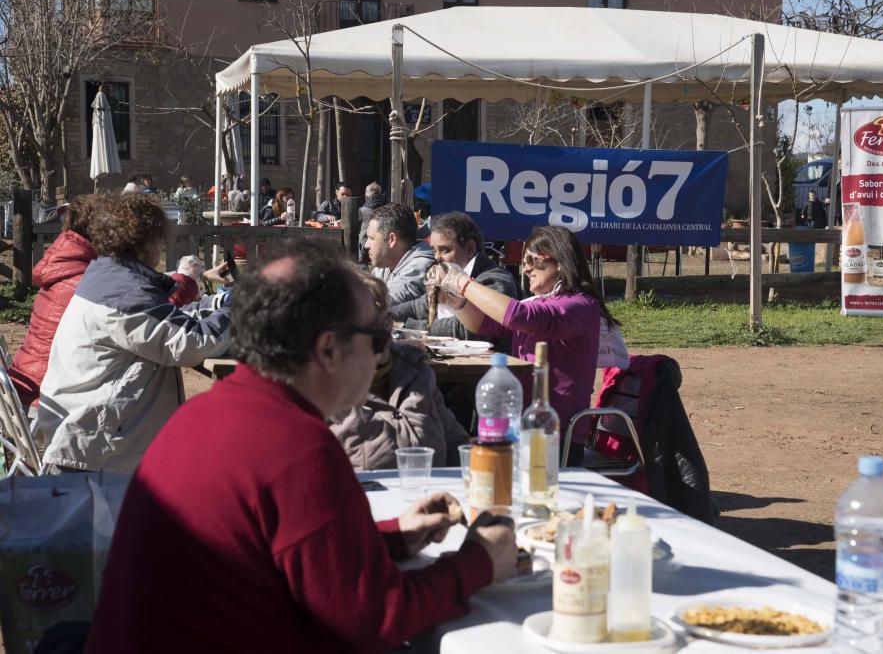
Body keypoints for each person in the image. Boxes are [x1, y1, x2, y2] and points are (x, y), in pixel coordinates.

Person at [84, 238, 516, 653]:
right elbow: (372, 619)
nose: (383, 354)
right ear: (328, 349)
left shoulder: (212, 414)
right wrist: (479, 561)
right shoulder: (293, 446)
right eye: (377, 340)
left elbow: (291, 557)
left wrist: (394, 537)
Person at [34, 193, 232, 473]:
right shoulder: (125, 289)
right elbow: (192, 343)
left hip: (83, 429)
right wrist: (244, 307)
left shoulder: (106, 274)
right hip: (95, 450)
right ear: (146, 239)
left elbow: (159, 320)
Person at [426, 225, 618, 464]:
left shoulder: (579, 305)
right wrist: (454, 301)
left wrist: (463, 283)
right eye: (524, 260)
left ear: (559, 260)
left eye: (531, 259)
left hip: (554, 433)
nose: (525, 268)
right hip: (524, 427)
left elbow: (517, 315)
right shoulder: (544, 303)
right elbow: (483, 324)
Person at [7, 195, 218, 410]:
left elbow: (142, 301)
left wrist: (187, 279)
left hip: (36, 388)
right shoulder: (87, 280)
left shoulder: (70, 266)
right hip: (51, 403)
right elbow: (147, 318)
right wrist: (187, 281)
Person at [330, 273, 468, 469]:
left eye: (380, 321)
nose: (376, 333)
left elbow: (458, 446)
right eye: (360, 326)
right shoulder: (324, 388)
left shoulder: (416, 372)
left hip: (433, 493)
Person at [394, 212, 518, 343]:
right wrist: (382, 316)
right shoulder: (446, 280)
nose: (437, 257)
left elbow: (467, 330)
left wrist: (408, 327)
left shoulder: (495, 280)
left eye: (444, 250)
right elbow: (416, 308)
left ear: (469, 248)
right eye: (434, 251)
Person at [365, 203, 436, 312]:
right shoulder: (384, 264)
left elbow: (381, 303)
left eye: (371, 238)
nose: (366, 245)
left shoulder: (423, 266)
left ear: (391, 239)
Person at [358, 180, 386, 260]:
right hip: (384, 248)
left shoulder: (362, 210)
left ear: (366, 196)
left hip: (365, 248)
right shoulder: (388, 208)